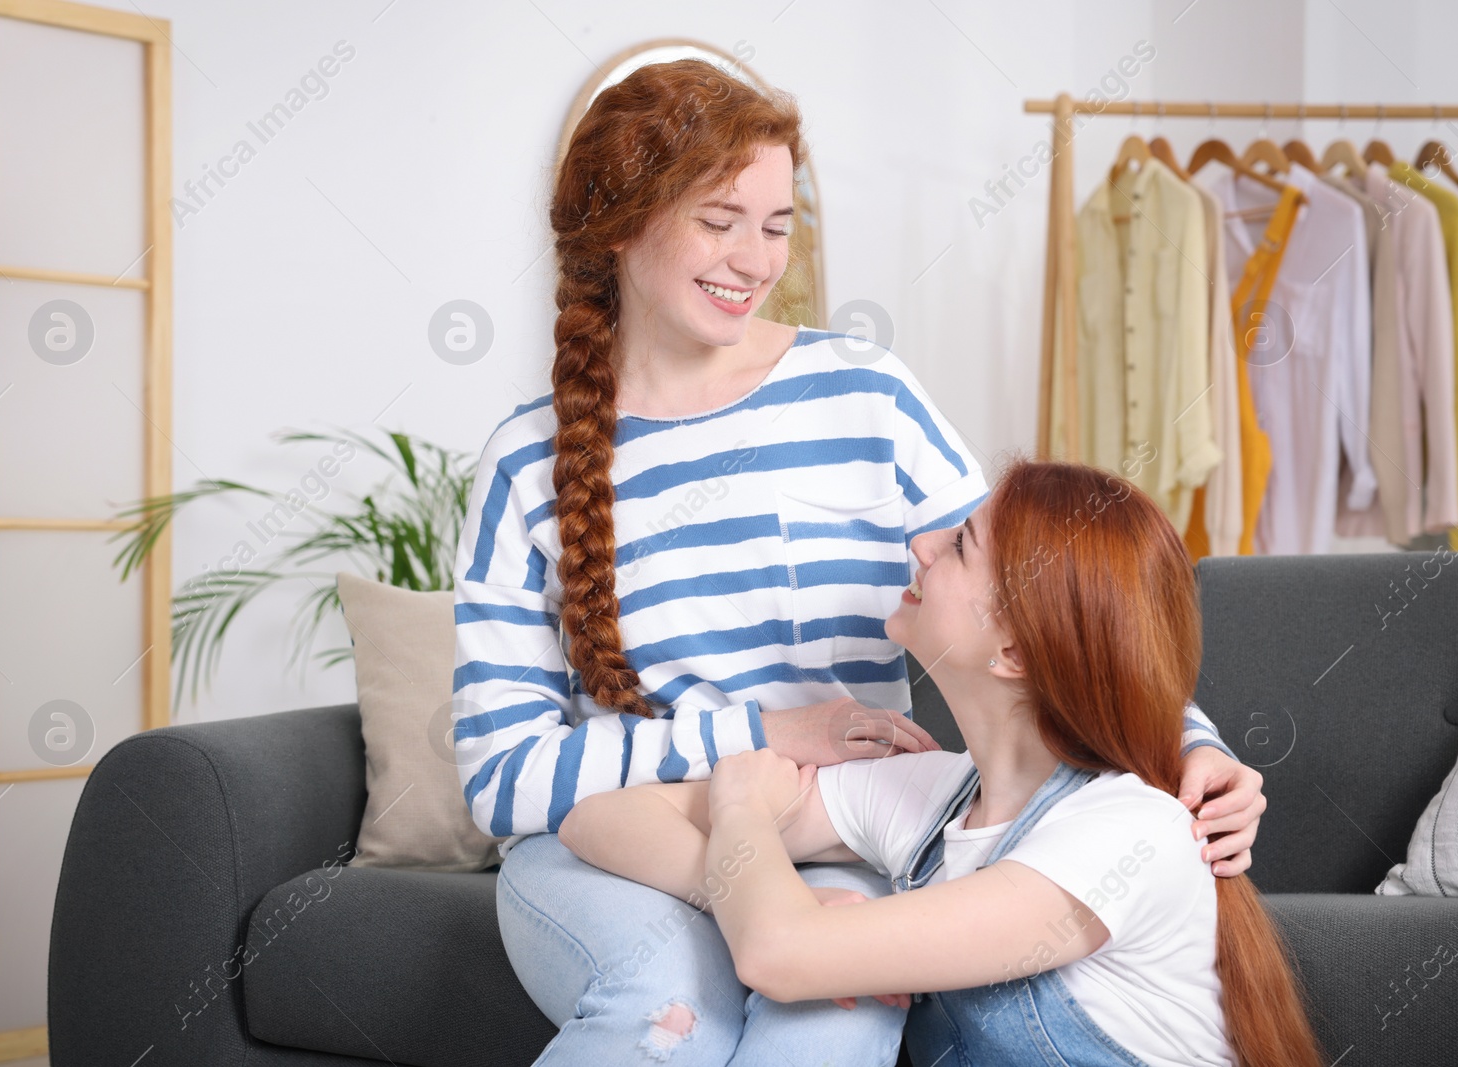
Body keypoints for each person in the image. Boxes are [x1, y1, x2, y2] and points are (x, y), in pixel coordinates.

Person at [450, 57, 1266, 1067]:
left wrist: (1188, 745)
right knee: (668, 1008)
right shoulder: (526, 462)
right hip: (615, 843)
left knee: (827, 1019)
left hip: (832, 833)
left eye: (776, 223)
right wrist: (763, 740)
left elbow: (1032, 593)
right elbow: (501, 775)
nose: (754, 259)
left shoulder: (863, 395)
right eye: (719, 219)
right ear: (621, 224)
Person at [561, 460, 1320, 1067]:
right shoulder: (934, 798)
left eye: (958, 545)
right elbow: (595, 818)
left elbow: (776, 952)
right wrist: (755, 884)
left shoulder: (1130, 833)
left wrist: (739, 810)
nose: (921, 546)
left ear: (1015, 651)